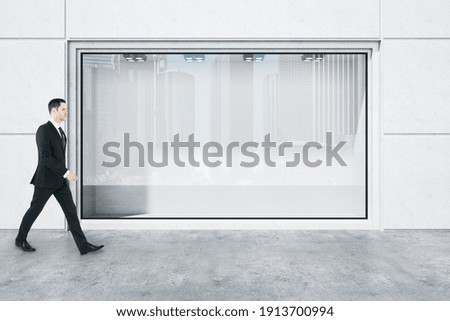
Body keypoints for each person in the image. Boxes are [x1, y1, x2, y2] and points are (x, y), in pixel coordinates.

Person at [16, 98, 104, 255]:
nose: (66, 112)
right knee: (35, 210)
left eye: (66, 109)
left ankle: (83, 246)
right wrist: (66, 172)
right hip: (45, 180)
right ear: (54, 111)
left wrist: (63, 175)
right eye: (63, 109)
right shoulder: (43, 130)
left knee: (71, 212)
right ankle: (20, 239)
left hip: (59, 181)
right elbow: (45, 157)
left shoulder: (60, 131)